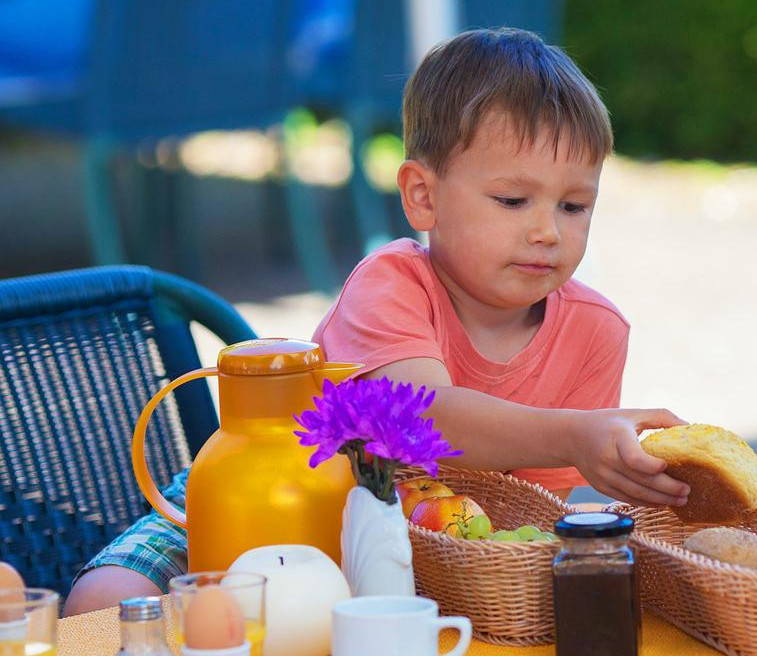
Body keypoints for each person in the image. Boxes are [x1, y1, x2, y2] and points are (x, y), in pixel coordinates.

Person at [64, 28, 689, 616]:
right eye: (512, 200)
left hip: (421, 547)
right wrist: (575, 434)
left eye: (575, 206)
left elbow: (521, 511)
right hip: (273, 493)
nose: (547, 231)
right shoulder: (391, 282)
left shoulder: (595, 332)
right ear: (423, 196)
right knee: (107, 601)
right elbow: (417, 419)